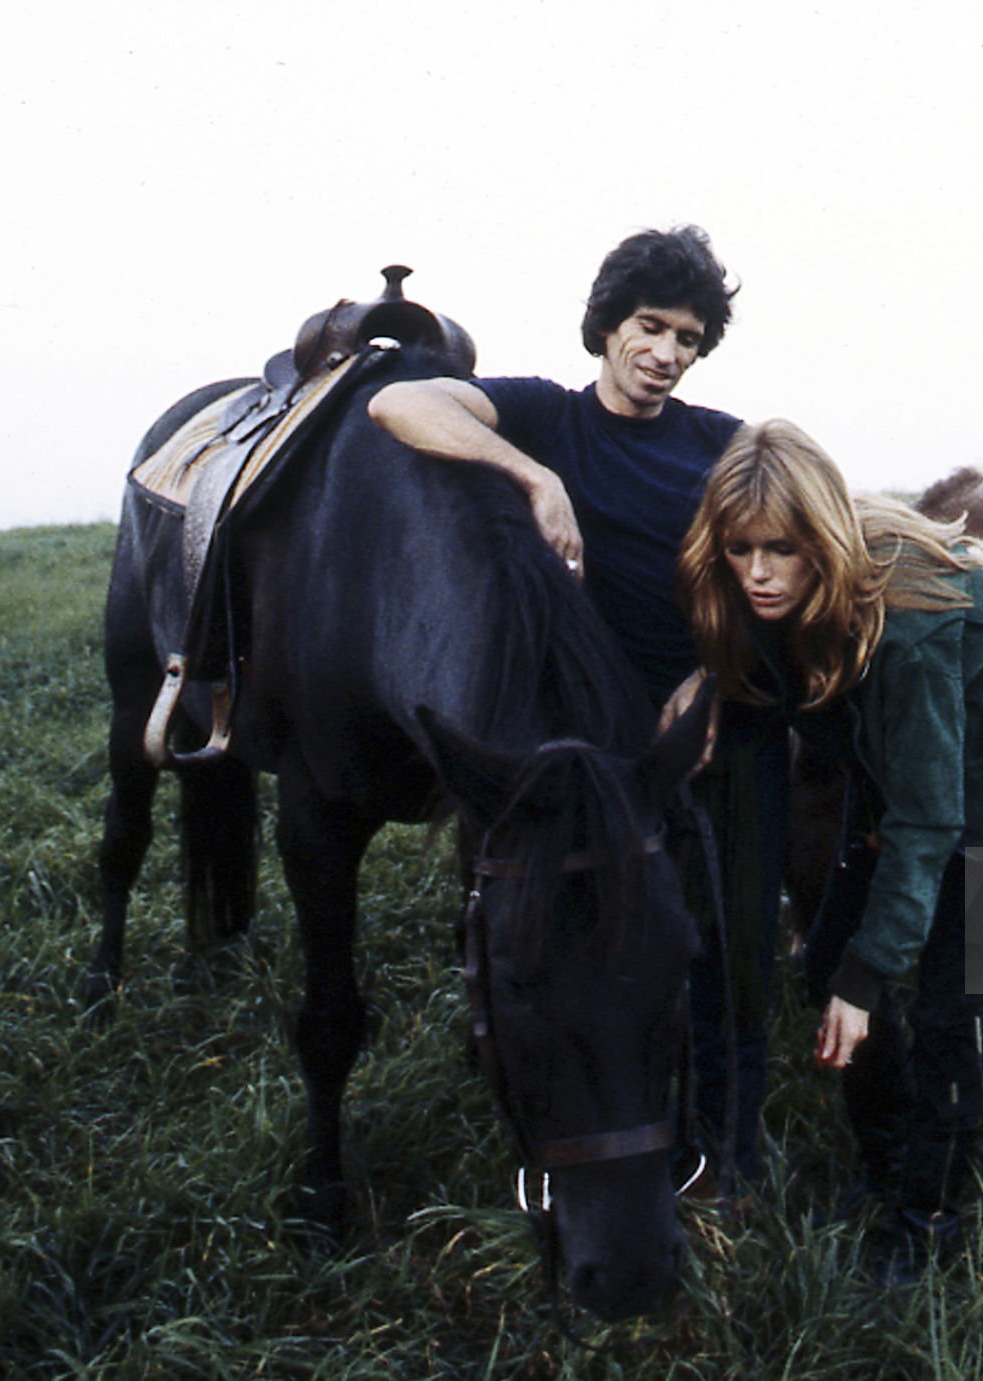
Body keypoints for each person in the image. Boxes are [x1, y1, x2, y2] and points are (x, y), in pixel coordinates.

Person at [367, 226, 784, 1193]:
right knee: (609, 945)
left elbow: (772, 574)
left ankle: (731, 1157)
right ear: (606, 328)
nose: (666, 354)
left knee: (729, 941)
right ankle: (608, 1127)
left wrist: (718, 673)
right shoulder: (545, 418)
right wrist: (531, 473)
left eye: (687, 337)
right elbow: (400, 400)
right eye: (649, 326)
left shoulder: (722, 442)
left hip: (712, 718)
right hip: (598, 736)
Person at [675, 418, 983, 1283]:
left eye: (780, 550)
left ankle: (930, 1220)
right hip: (891, 771)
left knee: (944, 1011)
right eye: (741, 550)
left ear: (821, 539)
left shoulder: (911, 626)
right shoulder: (764, 584)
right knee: (829, 970)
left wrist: (869, 972)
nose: (759, 573)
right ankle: (885, 1165)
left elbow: (932, 819)